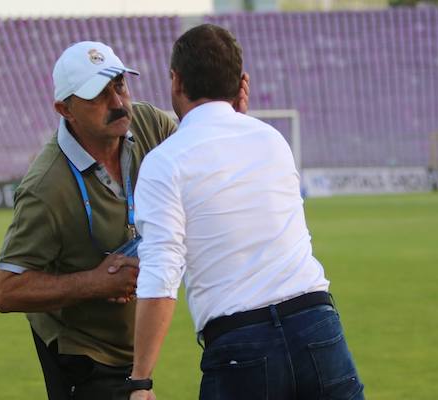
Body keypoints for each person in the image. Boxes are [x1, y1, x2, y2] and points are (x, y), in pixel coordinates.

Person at [0, 40, 249, 400]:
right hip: (82, 354)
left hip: (132, 344)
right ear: (65, 109)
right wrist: (93, 283)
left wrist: (227, 122)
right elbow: (6, 291)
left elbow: (200, 165)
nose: (117, 103)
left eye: (119, 85)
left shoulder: (149, 124)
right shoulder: (46, 187)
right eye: (98, 95)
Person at [129, 24, 365, 400]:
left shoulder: (164, 162)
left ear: (176, 81)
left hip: (241, 343)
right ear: (242, 83)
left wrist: (141, 380)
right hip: (317, 326)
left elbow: (161, 273)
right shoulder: (272, 140)